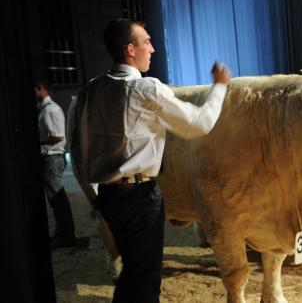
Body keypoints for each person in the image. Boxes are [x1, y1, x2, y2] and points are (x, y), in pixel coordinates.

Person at [70, 19, 231, 303]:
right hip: (140, 198)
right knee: (145, 280)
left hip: (108, 196)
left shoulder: (89, 91)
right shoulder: (146, 89)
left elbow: (78, 149)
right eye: (147, 42)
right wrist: (219, 88)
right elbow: (198, 124)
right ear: (130, 49)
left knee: (131, 273)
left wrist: (94, 196)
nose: (153, 49)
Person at [34, 79, 76, 248]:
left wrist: (36, 141)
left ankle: (65, 237)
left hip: (52, 158)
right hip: (50, 158)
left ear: (39, 88)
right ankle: (63, 235)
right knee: (57, 201)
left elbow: (58, 136)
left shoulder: (50, 110)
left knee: (58, 201)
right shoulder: (45, 109)